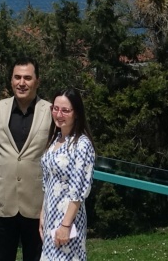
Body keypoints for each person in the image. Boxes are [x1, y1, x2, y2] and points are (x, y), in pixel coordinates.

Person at [0, 59, 53, 261]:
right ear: (11, 80)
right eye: (17, 77)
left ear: (37, 81)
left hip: (37, 205)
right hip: (2, 203)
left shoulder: (51, 111)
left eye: (27, 78)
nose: (21, 82)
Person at [39, 88, 95, 261]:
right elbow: (47, 182)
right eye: (55, 109)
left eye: (65, 110)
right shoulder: (55, 140)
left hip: (68, 221)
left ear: (76, 113)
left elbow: (78, 190)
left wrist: (65, 225)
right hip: (50, 217)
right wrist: (42, 214)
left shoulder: (81, 144)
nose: (59, 114)